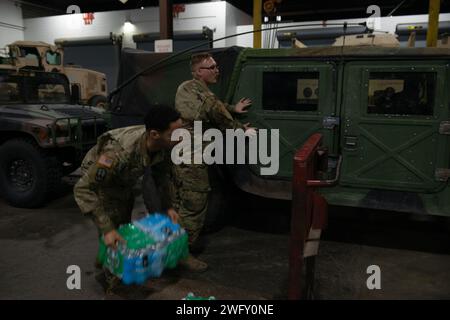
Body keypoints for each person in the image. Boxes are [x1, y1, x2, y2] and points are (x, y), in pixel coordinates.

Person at [73, 105, 182, 292]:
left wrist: (168, 207)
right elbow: (83, 189)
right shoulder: (116, 153)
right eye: (175, 133)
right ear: (155, 134)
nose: (181, 137)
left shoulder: (163, 144)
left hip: (123, 179)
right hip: (101, 182)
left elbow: (161, 178)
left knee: (122, 224)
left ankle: (105, 256)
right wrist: (107, 229)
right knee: (113, 230)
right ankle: (114, 283)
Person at [173, 52, 254, 272]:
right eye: (212, 67)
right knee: (195, 204)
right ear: (199, 71)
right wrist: (241, 130)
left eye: (217, 66)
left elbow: (214, 106)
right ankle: (182, 254)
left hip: (185, 153)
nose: (217, 70)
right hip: (192, 157)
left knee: (184, 204)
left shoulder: (190, 88)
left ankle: (175, 244)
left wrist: (232, 108)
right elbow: (216, 113)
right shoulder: (201, 94)